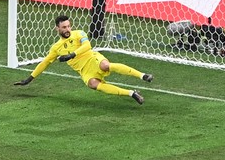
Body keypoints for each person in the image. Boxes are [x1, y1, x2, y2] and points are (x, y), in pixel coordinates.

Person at [13, 15, 154, 105]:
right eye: (64, 27)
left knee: (105, 65)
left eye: (68, 26)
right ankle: (131, 93)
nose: (67, 29)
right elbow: (45, 63)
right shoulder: (56, 47)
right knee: (93, 84)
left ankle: (143, 76)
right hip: (84, 71)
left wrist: (71, 55)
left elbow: (87, 45)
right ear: (57, 28)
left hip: (93, 59)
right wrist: (29, 78)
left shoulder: (79, 33)